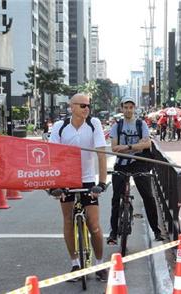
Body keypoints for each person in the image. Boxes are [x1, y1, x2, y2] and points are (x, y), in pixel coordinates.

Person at [48, 93, 109, 282]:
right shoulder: (60, 127)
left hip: (88, 179)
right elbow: (52, 156)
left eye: (88, 105)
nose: (86, 109)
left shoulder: (94, 124)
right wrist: (53, 186)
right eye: (82, 106)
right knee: (67, 220)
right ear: (71, 107)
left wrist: (101, 183)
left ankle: (99, 265)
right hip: (66, 179)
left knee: (94, 225)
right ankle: (75, 263)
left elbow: (101, 154)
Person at [107, 97, 164, 245]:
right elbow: (114, 148)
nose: (128, 110)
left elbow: (146, 144)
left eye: (131, 107)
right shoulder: (117, 126)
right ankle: (113, 233)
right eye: (125, 107)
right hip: (121, 164)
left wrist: (128, 147)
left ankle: (156, 231)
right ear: (122, 108)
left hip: (139, 163)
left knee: (148, 197)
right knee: (115, 199)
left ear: (134, 108)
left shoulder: (141, 124)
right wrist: (136, 145)